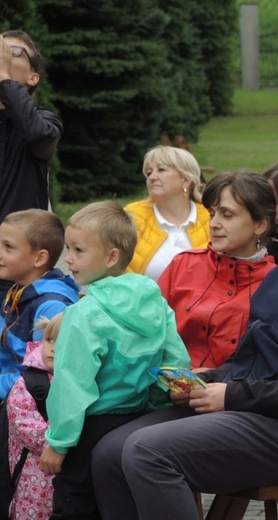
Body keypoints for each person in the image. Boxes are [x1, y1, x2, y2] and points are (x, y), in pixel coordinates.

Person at [88, 138, 278, 519]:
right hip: (248, 412)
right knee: (108, 450)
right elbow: (252, 357)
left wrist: (233, 395)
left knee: (146, 452)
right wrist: (206, 379)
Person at [38, 200, 190, 519]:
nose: (69, 259)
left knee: (75, 505)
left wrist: (58, 443)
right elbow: (174, 359)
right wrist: (167, 398)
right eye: (69, 248)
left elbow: (72, 384)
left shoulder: (84, 315)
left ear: (111, 257)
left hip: (87, 427)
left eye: (79, 250)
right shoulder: (153, 299)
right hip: (134, 420)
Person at [157, 171, 277, 370]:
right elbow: (148, 330)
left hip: (230, 395)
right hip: (164, 387)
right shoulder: (183, 264)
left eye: (226, 215)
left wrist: (217, 377)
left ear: (260, 225)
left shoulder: (277, 282)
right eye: (212, 214)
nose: (213, 224)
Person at [0, 31, 63, 301]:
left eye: (12, 51)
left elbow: (37, 135)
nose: (2, 55)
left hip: (16, 274)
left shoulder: (44, 121)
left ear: (32, 77)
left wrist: (4, 77)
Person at [0, 209, 79, 400]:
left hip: (23, 405)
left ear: (39, 258)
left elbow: (40, 377)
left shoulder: (51, 306)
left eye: (8, 247)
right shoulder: (18, 290)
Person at [125, 145, 210, 281]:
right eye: (149, 172)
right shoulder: (132, 216)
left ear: (185, 179)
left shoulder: (211, 217)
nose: (152, 177)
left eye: (161, 170)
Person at [6, 312, 62, 520]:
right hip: (34, 473)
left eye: (64, 341)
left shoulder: (81, 380)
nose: (54, 347)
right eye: (50, 339)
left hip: (66, 475)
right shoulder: (30, 382)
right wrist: (61, 446)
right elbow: (26, 426)